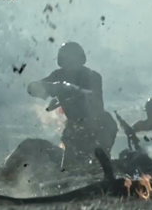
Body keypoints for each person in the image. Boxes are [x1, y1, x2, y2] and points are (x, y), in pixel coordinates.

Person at [27, 42, 117, 170]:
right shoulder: (58, 75)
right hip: (75, 130)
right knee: (69, 170)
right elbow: (31, 88)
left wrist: (70, 89)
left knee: (99, 164)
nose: (70, 63)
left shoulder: (92, 76)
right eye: (67, 59)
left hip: (97, 127)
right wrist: (53, 86)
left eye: (73, 59)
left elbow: (94, 101)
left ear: (81, 59)